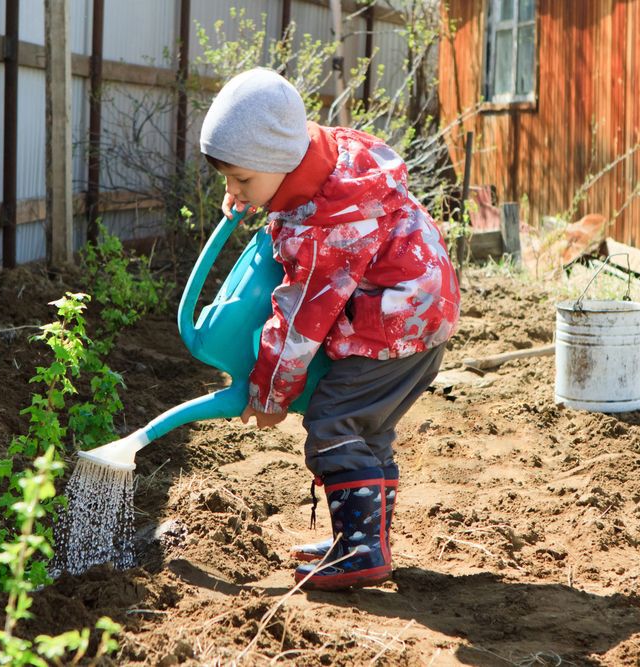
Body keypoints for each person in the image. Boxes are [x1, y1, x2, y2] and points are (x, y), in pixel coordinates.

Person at [199, 68, 461, 590]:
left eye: (241, 180)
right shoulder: (332, 161)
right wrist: (253, 192)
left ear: (278, 160)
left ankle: (361, 552)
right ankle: (361, 540)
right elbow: (288, 190)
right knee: (367, 429)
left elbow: (300, 322)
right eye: (228, 180)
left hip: (392, 322)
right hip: (423, 309)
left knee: (333, 424)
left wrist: (269, 394)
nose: (233, 190)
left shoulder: (330, 230)